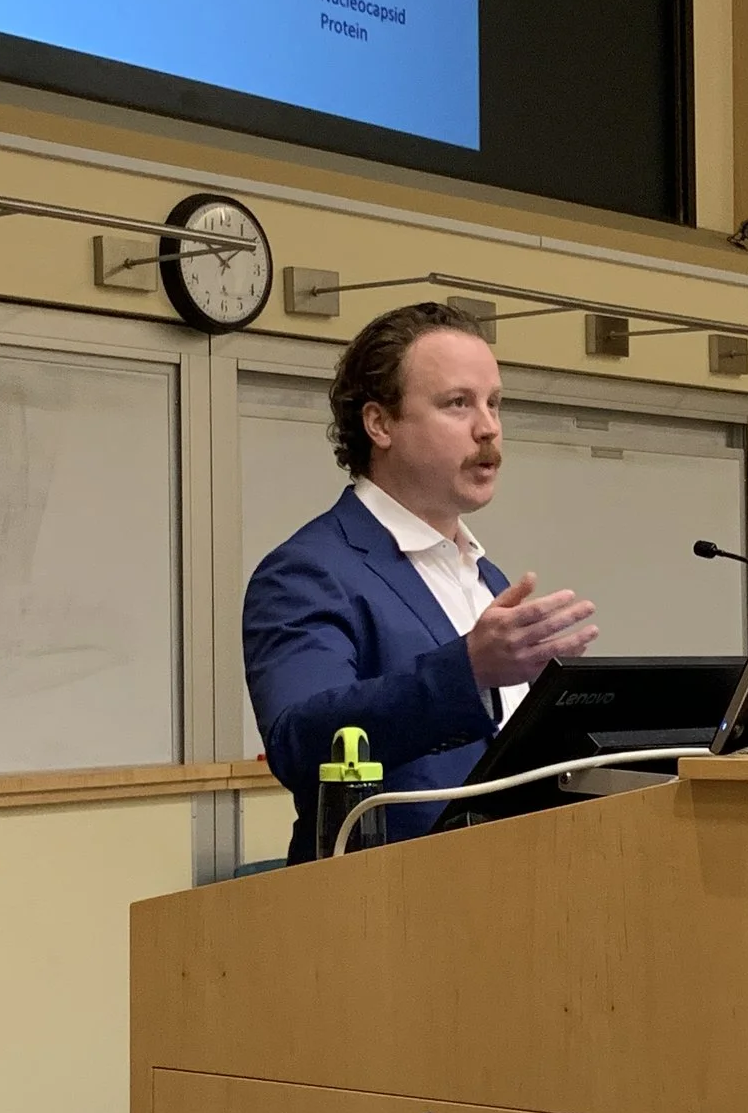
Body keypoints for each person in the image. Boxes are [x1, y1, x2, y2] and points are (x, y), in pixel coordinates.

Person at [245, 301, 598, 859]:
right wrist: (468, 670)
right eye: (457, 404)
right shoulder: (309, 571)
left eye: (494, 403)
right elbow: (300, 742)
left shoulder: (485, 577)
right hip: (384, 910)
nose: (488, 427)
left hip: (517, 891)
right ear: (379, 423)